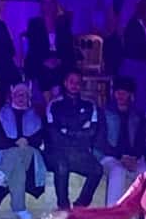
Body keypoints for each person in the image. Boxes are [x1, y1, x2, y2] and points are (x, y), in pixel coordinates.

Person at [0, 82, 46, 219]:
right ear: (12, 96)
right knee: (17, 166)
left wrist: (27, 141)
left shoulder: (36, 116)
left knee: (19, 153)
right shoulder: (2, 115)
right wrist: (14, 143)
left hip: (29, 154)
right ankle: (19, 208)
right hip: (5, 153)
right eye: (18, 94)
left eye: (24, 95)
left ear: (29, 97)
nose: (21, 97)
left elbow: (39, 139)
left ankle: (1, 173)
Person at [45, 70, 104, 209]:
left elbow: (91, 132)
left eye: (78, 82)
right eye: (71, 81)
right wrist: (80, 132)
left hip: (78, 152)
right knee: (62, 165)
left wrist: (67, 131)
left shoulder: (89, 105)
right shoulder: (54, 105)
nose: (75, 85)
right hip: (56, 152)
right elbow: (54, 135)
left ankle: (80, 206)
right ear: (65, 83)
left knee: (97, 169)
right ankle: (63, 207)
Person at [96, 76, 145, 206]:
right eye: (118, 92)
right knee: (118, 171)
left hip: (132, 158)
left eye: (124, 92)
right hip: (110, 156)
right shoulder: (105, 113)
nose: (121, 95)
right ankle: (112, 212)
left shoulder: (137, 115)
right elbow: (100, 142)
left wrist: (134, 157)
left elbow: (142, 140)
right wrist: (120, 156)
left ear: (130, 94)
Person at [24, 0, 77, 103]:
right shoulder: (34, 24)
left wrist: (59, 59)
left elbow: (67, 46)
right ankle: (49, 100)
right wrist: (44, 60)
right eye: (44, 3)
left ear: (54, 5)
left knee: (62, 68)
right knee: (42, 69)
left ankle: (57, 99)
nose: (47, 6)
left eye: (50, 3)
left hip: (59, 57)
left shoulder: (62, 23)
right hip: (40, 58)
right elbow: (34, 47)